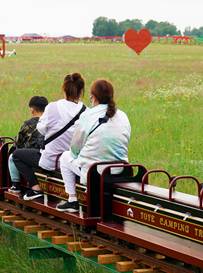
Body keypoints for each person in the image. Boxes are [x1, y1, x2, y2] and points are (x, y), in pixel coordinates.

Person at [56, 79, 130, 213]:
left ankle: (72, 200)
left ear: (93, 97)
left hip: (95, 172)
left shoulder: (87, 115)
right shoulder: (123, 116)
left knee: (65, 157)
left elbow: (75, 148)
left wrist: (78, 157)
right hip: (119, 169)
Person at [13, 72, 86, 201]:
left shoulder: (52, 107)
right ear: (82, 91)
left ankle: (35, 189)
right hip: (73, 162)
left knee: (17, 155)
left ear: (64, 89)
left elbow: (41, 129)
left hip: (51, 160)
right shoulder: (87, 112)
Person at [7, 95, 48, 191]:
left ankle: (15, 184)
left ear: (32, 110)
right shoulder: (51, 122)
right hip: (48, 155)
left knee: (12, 157)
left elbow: (18, 142)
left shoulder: (29, 123)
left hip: (32, 156)